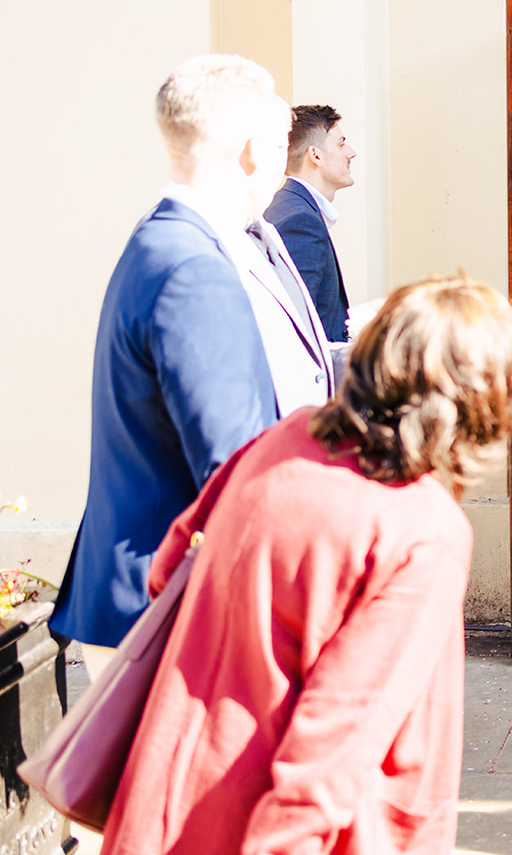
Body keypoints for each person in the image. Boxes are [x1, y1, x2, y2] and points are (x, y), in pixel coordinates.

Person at [94, 274, 512, 855]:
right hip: (281, 843)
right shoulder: (422, 530)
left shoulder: (280, 439)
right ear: (478, 403)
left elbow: (168, 568)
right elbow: (333, 743)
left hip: (163, 803)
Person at [52, 54, 329, 652]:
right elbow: (234, 467)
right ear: (252, 151)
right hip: (167, 605)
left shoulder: (179, 238)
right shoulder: (193, 269)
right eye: (281, 145)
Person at [266, 104, 355, 342]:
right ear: (316, 155)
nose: (351, 152)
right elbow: (295, 325)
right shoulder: (300, 220)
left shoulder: (286, 205)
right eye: (341, 143)